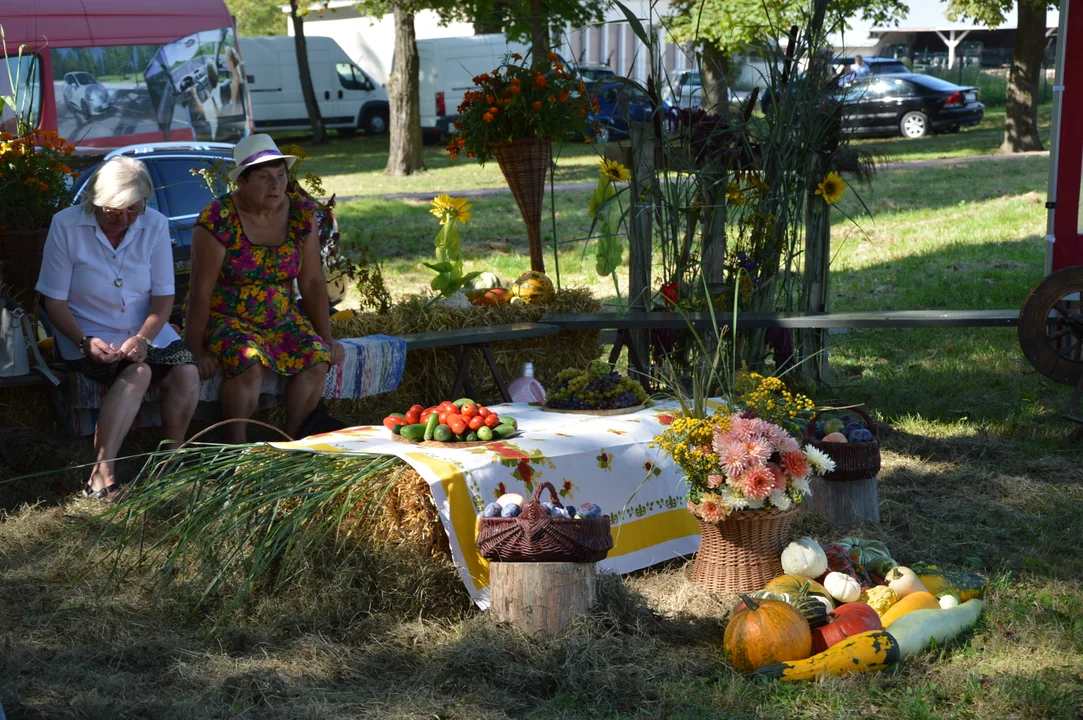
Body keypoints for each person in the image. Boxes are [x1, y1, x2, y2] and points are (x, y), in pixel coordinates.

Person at [36, 157, 200, 501]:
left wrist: (143, 337)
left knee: (186, 373)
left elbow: (163, 296)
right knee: (137, 373)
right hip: (84, 330)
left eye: (133, 211)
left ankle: (169, 461)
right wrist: (83, 341)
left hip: (146, 328)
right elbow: (54, 302)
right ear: (96, 199)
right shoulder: (65, 225)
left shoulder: (154, 224)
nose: (122, 220)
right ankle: (101, 476)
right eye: (113, 210)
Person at [185, 134, 344, 444]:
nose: (276, 185)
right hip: (228, 318)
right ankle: (237, 445)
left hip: (282, 317)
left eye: (281, 175)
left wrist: (326, 337)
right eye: (264, 177)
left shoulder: (300, 213)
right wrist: (196, 349)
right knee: (251, 362)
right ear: (242, 182)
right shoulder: (219, 218)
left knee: (316, 359)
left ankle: (290, 440)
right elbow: (200, 290)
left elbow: (311, 281)